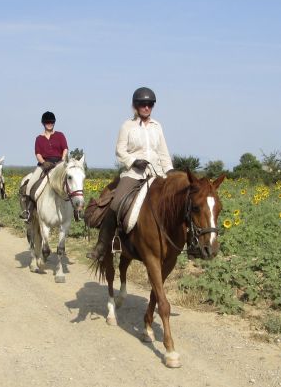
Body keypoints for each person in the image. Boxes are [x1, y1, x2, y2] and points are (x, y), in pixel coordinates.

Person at [87, 87, 173, 261]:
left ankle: (183, 245)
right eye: (143, 104)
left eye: (150, 104)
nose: (147, 107)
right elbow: (120, 151)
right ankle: (102, 245)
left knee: (176, 203)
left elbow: (163, 152)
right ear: (135, 105)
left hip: (156, 174)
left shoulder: (157, 127)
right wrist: (133, 161)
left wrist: (170, 172)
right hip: (133, 174)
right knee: (116, 203)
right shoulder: (127, 126)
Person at [19, 111, 69, 220]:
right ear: (43, 123)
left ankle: (75, 211)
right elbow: (38, 153)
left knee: (71, 182)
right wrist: (43, 162)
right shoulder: (39, 138)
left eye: (51, 122)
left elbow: (65, 148)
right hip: (44, 165)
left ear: (54, 123)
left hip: (59, 164)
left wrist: (62, 160)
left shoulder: (60, 135)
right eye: (47, 122)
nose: (49, 124)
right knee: (30, 185)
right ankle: (27, 211)